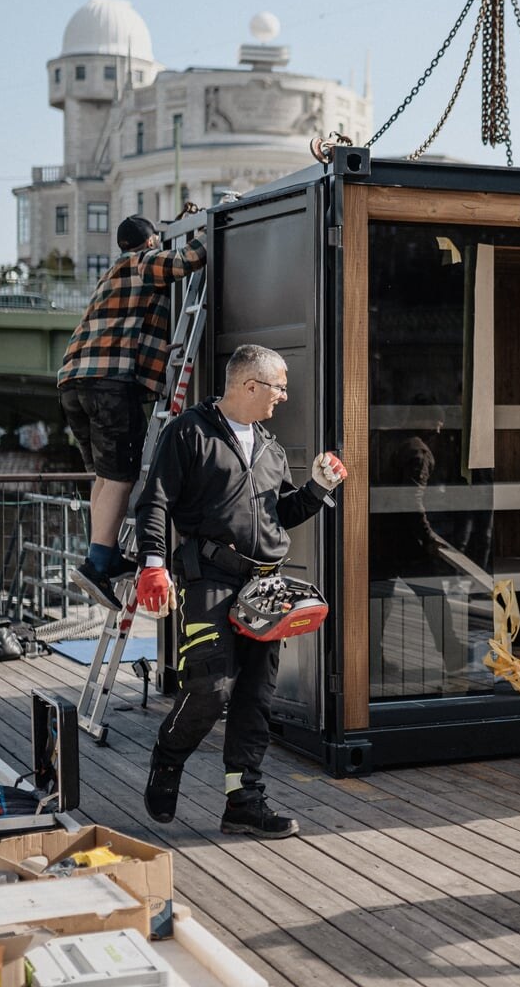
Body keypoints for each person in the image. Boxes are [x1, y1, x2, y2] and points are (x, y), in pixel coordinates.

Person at [134, 344, 347, 838]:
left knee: (255, 697)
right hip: (209, 577)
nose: (284, 397)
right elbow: (155, 501)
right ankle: (168, 757)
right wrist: (152, 565)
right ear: (250, 385)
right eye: (279, 386)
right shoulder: (187, 431)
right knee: (211, 688)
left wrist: (317, 488)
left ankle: (243, 802)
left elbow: (281, 515)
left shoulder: (272, 451)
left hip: (265, 588)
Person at [58, 213, 207, 607]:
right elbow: (189, 259)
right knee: (122, 476)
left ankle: (103, 557)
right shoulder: (141, 263)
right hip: (108, 385)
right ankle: (97, 564)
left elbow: (131, 330)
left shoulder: (111, 276)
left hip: (75, 383)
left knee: (104, 476)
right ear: (151, 241)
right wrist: (216, 224)